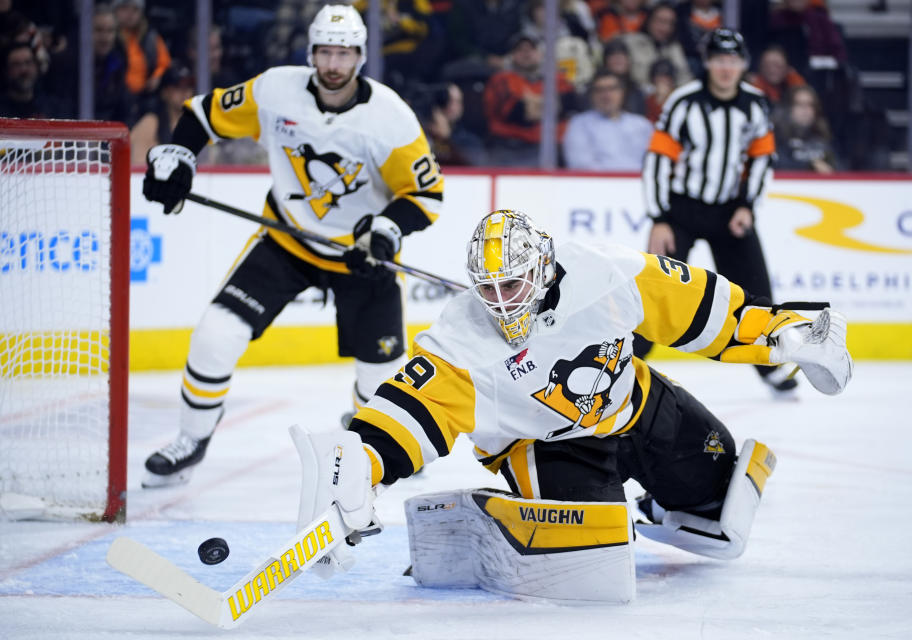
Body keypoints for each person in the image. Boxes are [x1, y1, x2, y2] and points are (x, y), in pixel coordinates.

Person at [292, 208, 853, 601]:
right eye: (486, 289)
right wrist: (359, 464)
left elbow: (707, 313)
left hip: (636, 406)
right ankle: (487, 519)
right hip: (546, 448)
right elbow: (412, 411)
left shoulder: (610, 272)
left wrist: (790, 331)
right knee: (596, 560)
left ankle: (662, 505)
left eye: (511, 285)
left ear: (540, 267)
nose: (499, 303)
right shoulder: (460, 339)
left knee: (722, 504)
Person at [139, 5, 444, 488]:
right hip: (286, 239)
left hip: (359, 257)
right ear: (311, 53)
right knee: (215, 336)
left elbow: (425, 195)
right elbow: (204, 114)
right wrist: (179, 155)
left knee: (380, 381)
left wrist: (384, 231)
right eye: (325, 51)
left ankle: (373, 434)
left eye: (343, 53)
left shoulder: (391, 119)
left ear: (360, 57)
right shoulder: (275, 90)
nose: (333, 64)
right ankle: (191, 440)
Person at [639, 27, 799, 397]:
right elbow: (658, 161)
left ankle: (767, 366)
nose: (726, 68)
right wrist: (659, 217)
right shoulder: (684, 102)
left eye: (733, 60)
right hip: (681, 210)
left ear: (743, 63)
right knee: (653, 290)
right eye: (719, 60)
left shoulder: (755, 103)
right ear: (707, 63)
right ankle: (628, 362)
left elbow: (761, 159)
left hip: (730, 212)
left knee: (757, 294)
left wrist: (747, 207)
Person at [481, 33, 579, 166]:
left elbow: (571, 104)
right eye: (520, 49)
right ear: (512, 56)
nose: (526, 53)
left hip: (554, 147)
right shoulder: (501, 79)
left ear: (540, 53)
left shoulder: (557, 79)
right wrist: (552, 105)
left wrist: (532, 104)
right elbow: (514, 112)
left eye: (531, 48)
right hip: (512, 147)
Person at [563, 70, 653, 170]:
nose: (606, 95)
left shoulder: (642, 125)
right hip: (598, 183)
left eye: (612, 89)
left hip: (639, 183)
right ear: (592, 94)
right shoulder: (579, 124)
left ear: (622, 92)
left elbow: (653, 163)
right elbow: (580, 165)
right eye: (600, 90)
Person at [129, 64, 195, 165]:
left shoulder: (197, 123)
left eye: (188, 86)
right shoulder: (150, 123)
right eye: (177, 87)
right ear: (164, 92)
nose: (184, 92)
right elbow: (139, 167)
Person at [621, 2, 692, 91]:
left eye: (671, 23)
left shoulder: (674, 47)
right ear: (649, 20)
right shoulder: (630, 43)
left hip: (669, 96)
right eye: (661, 21)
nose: (666, 28)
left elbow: (685, 78)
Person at [773, 85, 836, 173]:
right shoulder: (776, 137)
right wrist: (810, 166)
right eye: (799, 104)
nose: (805, 110)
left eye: (810, 105)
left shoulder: (823, 138)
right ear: (789, 108)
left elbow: (841, 169)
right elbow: (776, 165)